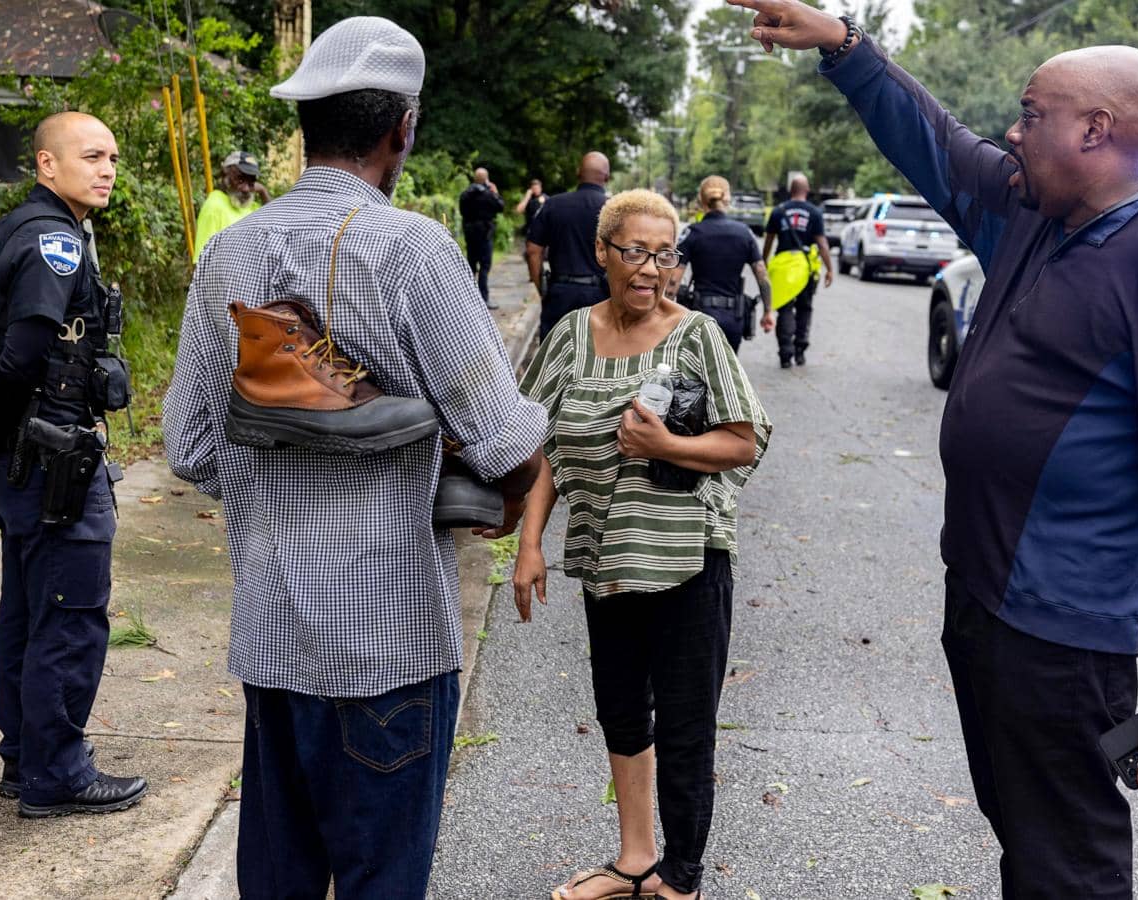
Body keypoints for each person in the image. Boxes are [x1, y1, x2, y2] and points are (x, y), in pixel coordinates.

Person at [729, 1, 1138, 895]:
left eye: (1031, 115)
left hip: (1062, 629)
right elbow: (935, 140)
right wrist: (846, 47)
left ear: (1097, 130)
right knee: (1022, 827)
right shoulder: (1032, 212)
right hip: (985, 598)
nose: (1013, 134)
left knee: (1067, 857)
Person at [162, 16, 547, 898]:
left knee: (279, 882)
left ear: (306, 125)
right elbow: (510, 443)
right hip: (391, 646)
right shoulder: (413, 250)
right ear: (400, 129)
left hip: (271, 636)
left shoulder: (229, 251)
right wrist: (447, 452)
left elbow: (187, 446)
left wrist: (276, 463)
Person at [514, 189, 771, 900]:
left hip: (689, 558)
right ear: (603, 253)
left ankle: (681, 880)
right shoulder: (569, 335)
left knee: (687, 725)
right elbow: (541, 445)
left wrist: (667, 443)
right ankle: (635, 860)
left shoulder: (697, 337)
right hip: (607, 558)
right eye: (635, 252)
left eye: (664, 255)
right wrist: (529, 541)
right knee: (622, 710)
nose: (651, 269)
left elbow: (745, 439)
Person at [0, 111, 147, 818]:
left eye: (112, 156)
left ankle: (25, 760)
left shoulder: (23, 228)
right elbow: (23, 351)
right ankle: (56, 774)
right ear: (47, 165)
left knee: (28, 610)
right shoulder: (53, 241)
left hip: (27, 461)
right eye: (91, 156)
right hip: (53, 463)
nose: (107, 168)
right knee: (70, 616)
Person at [671, 175, 773, 351]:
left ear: (702, 201)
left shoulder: (692, 233)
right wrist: (768, 311)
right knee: (726, 374)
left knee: (696, 374)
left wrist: (663, 315)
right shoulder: (744, 233)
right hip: (734, 319)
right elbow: (762, 275)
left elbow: (673, 280)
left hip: (700, 318)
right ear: (728, 198)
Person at [527, 152, 612, 339]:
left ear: (578, 173)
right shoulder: (613, 209)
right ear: (607, 176)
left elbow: (533, 250)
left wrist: (540, 286)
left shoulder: (553, 205)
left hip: (560, 292)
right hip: (601, 295)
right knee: (597, 355)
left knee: (553, 355)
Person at [761, 174, 834, 367]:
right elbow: (822, 243)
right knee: (804, 308)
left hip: (783, 267)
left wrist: (763, 263)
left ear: (790, 191)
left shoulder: (778, 211)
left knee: (784, 307)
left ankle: (785, 353)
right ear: (807, 190)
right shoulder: (814, 212)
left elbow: (768, 241)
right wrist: (829, 269)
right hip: (805, 269)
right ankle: (800, 350)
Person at [194, 150, 270, 260]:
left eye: (251, 182)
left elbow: (277, 223)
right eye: (240, 180)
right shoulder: (215, 206)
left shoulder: (251, 206)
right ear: (226, 176)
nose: (246, 189)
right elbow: (202, 261)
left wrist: (263, 191)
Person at [459, 167, 505, 309]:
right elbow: (500, 207)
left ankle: (468, 300)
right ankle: (483, 299)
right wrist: (495, 192)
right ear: (486, 179)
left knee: (471, 266)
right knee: (485, 267)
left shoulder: (465, 194)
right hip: (485, 234)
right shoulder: (489, 194)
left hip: (470, 233)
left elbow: (462, 211)